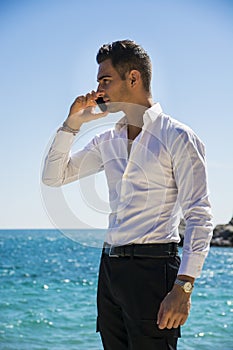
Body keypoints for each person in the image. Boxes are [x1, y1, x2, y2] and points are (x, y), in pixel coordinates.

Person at [42, 40, 213, 350]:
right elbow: (54, 177)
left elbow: (200, 216)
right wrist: (72, 125)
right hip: (109, 270)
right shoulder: (107, 140)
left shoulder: (177, 136)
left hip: (153, 270)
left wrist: (183, 287)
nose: (97, 90)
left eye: (105, 80)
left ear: (133, 78)